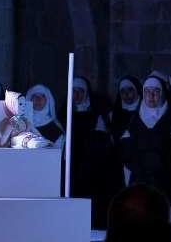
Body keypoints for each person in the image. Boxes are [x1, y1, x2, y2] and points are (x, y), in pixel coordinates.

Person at [119, 75, 171, 204]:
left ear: (162, 94)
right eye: (147, 91)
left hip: (163, 184)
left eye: (156, 91)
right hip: (139, 183)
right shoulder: (133, 122)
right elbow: (126, 156)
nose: (151, 96)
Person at [68, 76, 116, 228]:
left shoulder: (97, 113)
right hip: (72, 163)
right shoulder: (65, 111)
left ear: (86, 93)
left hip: (92, 165)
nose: (76, 95)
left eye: (79, 91)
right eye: (73, 91)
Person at [109, 76, 141, 143]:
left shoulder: (145, 111)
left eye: (130, 90)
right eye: (123, 91)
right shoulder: (114, 113)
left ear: (136, 90)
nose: (126, 94)